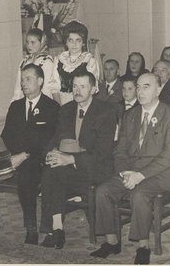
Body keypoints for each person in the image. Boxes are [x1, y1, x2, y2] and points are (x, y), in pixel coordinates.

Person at [91, 72, 170, 264]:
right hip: (130, 171)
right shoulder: (130, 115)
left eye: (146, 87)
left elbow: (169, 156)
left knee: (139, 194)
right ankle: (111, 241)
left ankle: (143, 246)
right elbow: (120, 150)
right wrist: (125, 172)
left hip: (160, 174)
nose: (140, 92)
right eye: (138, 87)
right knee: (102, 191)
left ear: (158, 89)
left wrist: (140, 175)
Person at [39, 71, 117, 249]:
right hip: (70, 167)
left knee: (56, 171)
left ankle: (54, 230)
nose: (77, 90)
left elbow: (102, 153)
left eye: (83, 86)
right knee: (51, 168)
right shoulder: (66, 110)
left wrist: (70, 159)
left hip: (96, 167)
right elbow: (55, 138)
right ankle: (57, 229)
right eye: (74, 86)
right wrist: (50, 153)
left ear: (94, 89)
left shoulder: (106, 112)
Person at [1, 64, 60, 245]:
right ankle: (31, 228)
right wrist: (12, 155)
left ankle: (39, 229)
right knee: (24, 173)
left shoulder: (51, 107)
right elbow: (7, 136)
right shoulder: (16, 106)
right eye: (22, 79)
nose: (23, 83)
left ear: (40, 81)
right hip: (19, 158)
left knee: (27, 174)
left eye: (28, 79)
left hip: (41, 158)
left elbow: (49, 139)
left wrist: (24, 155)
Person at [52, 20, 99, 105]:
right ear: (66, 42)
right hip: (62, 103)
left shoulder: (89, 60)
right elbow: (54, 88)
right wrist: (60, 109)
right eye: (70, 40)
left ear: (83, 43)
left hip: (83, 102)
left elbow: (91, 89)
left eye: (78, 40)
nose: (74, 44)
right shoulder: (59, 59)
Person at [12, 28, 60, 104]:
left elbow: (46, 88)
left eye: (33, 42)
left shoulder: (46, 62)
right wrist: (15, 102)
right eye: (27, 42)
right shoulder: (24, 62)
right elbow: (18, 87)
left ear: (42, 43)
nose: (29, 45)